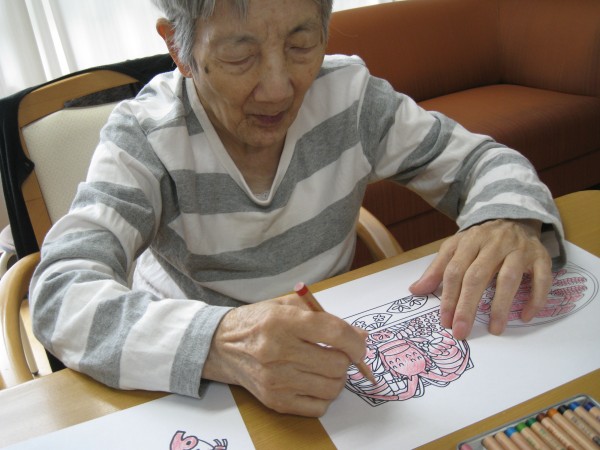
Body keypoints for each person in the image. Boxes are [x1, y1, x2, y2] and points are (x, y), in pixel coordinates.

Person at [29, 0, 563, 417]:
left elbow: (481, 161)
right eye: (239, 57)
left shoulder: (350, 99)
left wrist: (506, 218)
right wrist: (220, 342)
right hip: (202, 384)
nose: (278, 88)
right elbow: (59, 292)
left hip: (329, 364)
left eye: (302, 45)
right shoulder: (148, 138)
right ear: (178, 48)